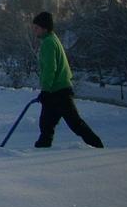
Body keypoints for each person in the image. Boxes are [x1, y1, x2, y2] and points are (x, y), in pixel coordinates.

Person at [32, 12, 103, 149]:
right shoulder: (53, 39)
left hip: (58, 91)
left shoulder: (48, 43)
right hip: (57, 90)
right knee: (46, 123)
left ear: (44, 28)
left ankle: (97, 145)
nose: (34, 30)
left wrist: (45, 90)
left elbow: (49, 68)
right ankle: (43, 146)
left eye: (36, 28)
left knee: (74, 123)